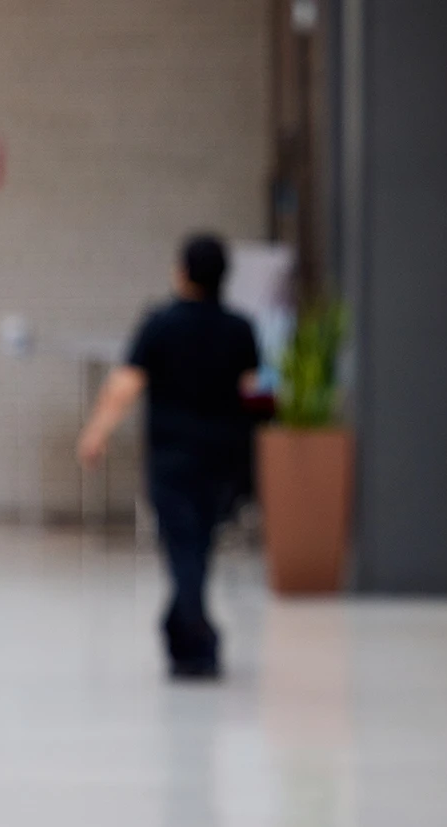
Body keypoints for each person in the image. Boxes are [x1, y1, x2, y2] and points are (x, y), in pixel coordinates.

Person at [78, 233, 261, 680]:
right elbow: (254, 391)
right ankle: (184, 634)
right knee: (196, 547)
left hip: (173, 460)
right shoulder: (240, 328)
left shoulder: (161, 324)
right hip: (225, 460)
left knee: (185, 549)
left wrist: (97, 431)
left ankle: (197, 642)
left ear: (182, 272)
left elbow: (126, 384)